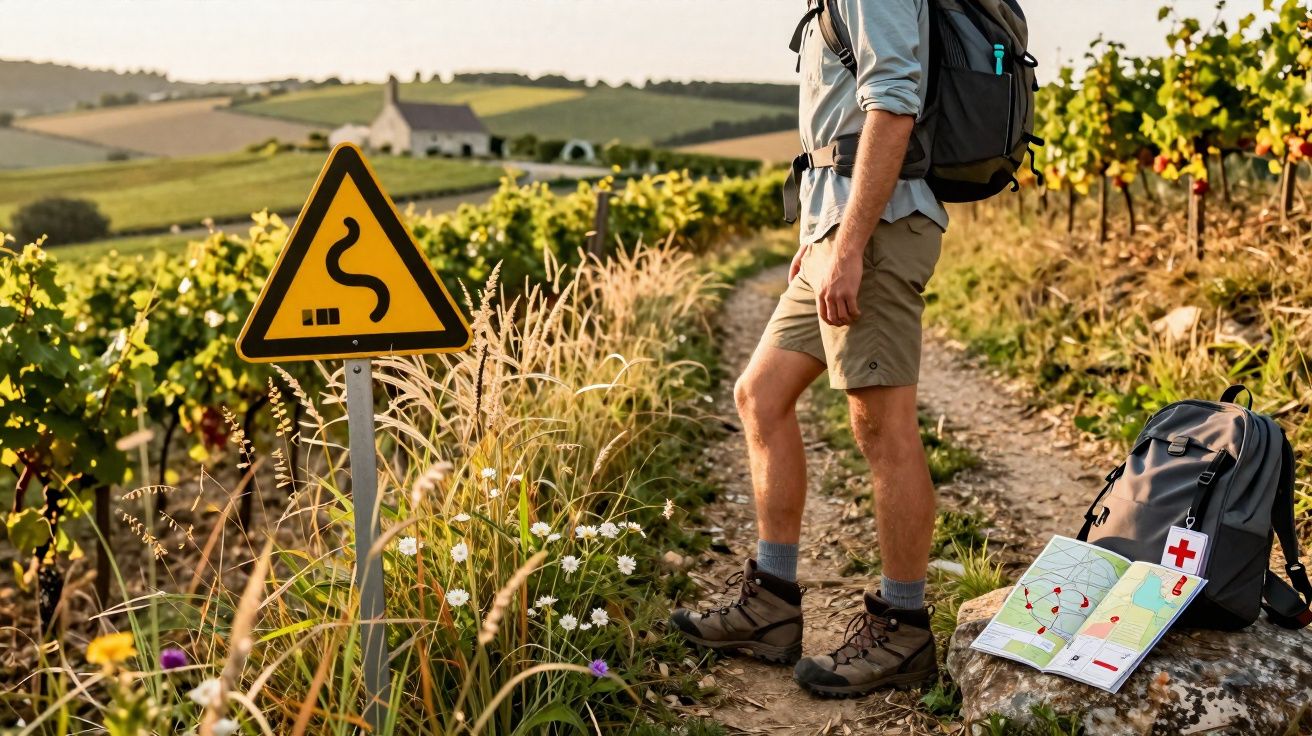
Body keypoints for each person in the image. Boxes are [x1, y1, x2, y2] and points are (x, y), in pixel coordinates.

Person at [670, 0, 947, 697]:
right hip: (834, 229)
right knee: (759, 396)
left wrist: (849, 247)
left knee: (881, 425)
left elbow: (893, 105)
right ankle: (770, 603)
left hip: (877, 231)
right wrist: (816, 238)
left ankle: (903, 628)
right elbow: (836, 125)